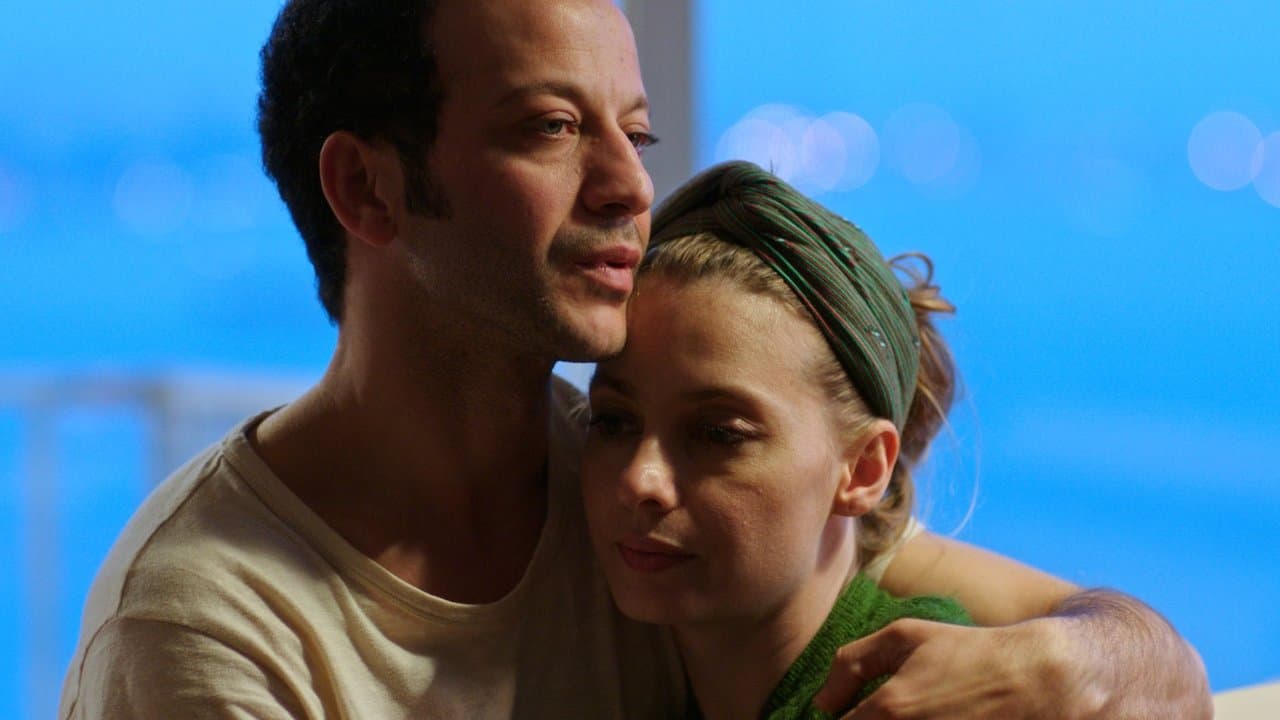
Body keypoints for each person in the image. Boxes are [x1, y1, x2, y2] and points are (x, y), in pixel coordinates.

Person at [57, 0, 1211, 718]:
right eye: (551, 128)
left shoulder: (631, 493)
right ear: (367, 187)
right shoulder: (207, 627)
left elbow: (1139, 656)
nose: (628, 186)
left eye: (635, 132)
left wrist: (1065, 669)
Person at [581, 160, 980, 719]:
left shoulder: (930, 695)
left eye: (718, 434)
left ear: (864, 469)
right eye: (613, 421)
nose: (638, 480)